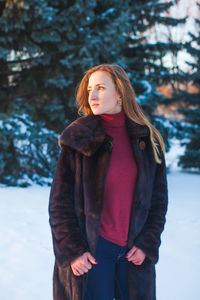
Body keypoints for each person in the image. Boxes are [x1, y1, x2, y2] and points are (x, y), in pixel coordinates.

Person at [48, 63, 168, 300]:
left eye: (100, 88)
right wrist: (73, 251)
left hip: (133, 255)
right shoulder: (78, 139)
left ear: (120, 93)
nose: (91, 95)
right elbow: (59, 204)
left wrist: (147, 243)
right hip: (92, 254)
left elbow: (158, 201)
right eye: (90, 88)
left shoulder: (146, 138)